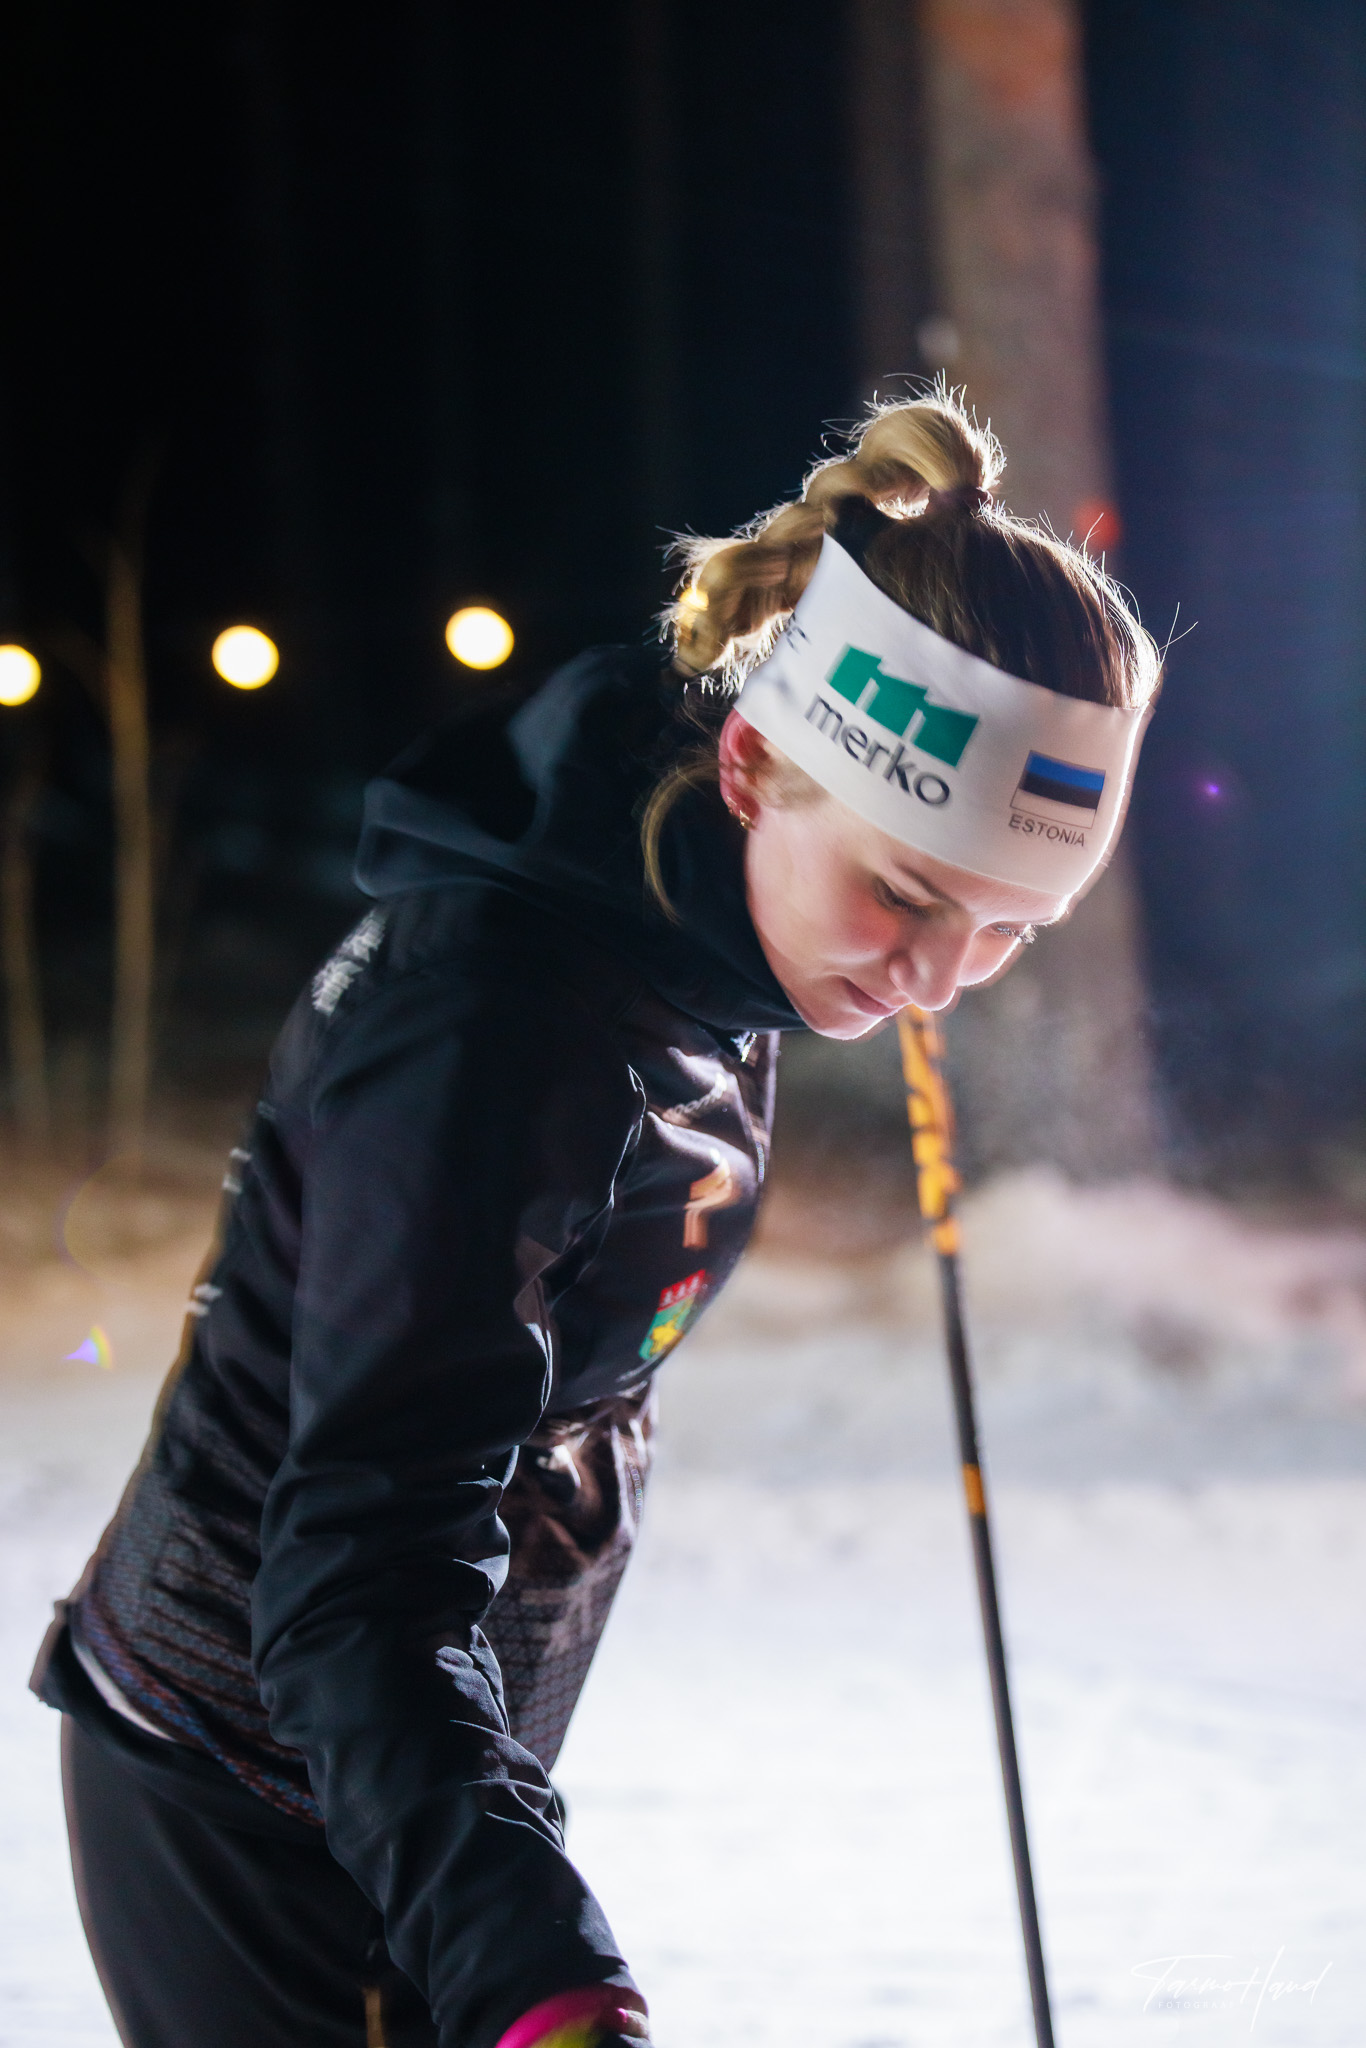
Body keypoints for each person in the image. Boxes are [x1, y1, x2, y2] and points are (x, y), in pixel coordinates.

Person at [32, 390, 1159, 2048]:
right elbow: (359, 1566)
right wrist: (537, 1972)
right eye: (909, 896)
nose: (938, 982)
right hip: (278, 1783)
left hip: (418, 1765)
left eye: (1009, 931)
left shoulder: (713, 919)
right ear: (752, 763)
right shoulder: (494, 1032)